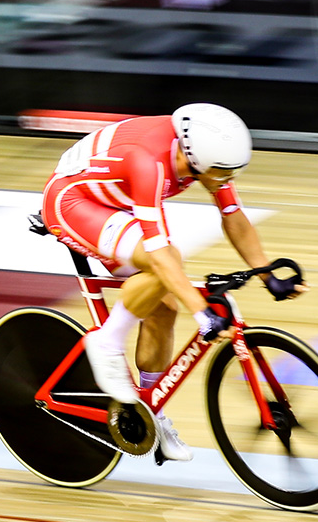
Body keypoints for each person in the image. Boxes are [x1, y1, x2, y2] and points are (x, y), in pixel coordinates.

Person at [40, 104, 302, 462]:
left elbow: (234, 217)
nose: (228, 179)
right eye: (223, 172)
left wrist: (266, 274)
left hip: (114, 202)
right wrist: (203, 313)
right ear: (197, 160)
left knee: (164, 308)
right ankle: (106, 342)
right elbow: (160, 254)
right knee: (165, 263)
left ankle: (150, 409)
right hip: (72, 202)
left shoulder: (204, 159)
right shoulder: (150, 162)